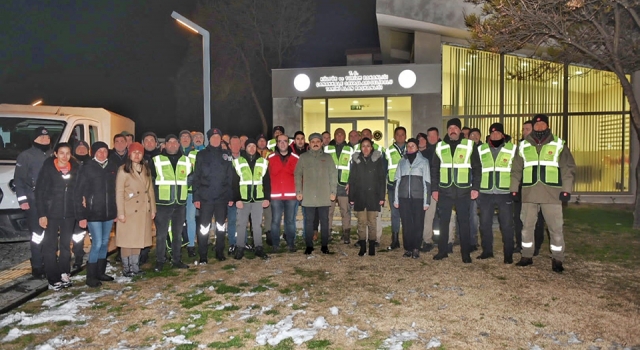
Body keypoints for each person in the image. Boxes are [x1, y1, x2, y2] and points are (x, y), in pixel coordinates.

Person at [511, 114, 576, 272]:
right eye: (536, 125)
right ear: (533, 127)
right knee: (527, 227)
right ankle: (526, 256)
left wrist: (566, 190)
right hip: (529, 193)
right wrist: (514, 189)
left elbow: (568, 169)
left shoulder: (559, 144)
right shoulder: (523, 145)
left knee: (555, 229)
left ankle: (558, 259)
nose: (539, 127)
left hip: (552, 194)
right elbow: (516, 169)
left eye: (542, 124)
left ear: (548, 126)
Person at [431, 118, 481, 263]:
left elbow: (477, 168)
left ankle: (465, 253)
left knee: (464, 223)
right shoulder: (440, 146)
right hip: (445, 191)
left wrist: (475, 187)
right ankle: (442, 251)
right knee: (443, 222)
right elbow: (434, 169)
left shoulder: (470, 145)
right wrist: (434, 189)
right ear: (447, 130)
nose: (453, 130)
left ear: (460, 130)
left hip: (464, 191)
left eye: (455, 128)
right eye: (450, 128)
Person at [75, 141, 119, 287]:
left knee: (105, 243)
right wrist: (81, 215)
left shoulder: (112, 167)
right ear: (93, 153)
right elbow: (79, 193)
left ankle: (101, 271)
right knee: (97, 243)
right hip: (93, 212)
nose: (102, 154)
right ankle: (91, 276)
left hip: (108, 212)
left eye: (105, 151)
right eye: (99, 151)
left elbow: (115, 191)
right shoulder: (87, 167)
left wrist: (116, 211)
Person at [36, 143, 79, 291]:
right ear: (55, 154)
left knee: (66, 246)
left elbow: (79, 190)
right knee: (50, 246)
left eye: (68, 153)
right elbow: (39, 192)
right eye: (61, 153)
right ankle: (53, 278)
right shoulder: (48, 169)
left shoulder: (75, 168)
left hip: (69, 213)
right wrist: (42, 214)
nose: (65, 156)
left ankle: (64, 273)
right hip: (51, 213)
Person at [149, 134, 192, 271]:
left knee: (177, 233)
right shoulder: (156, 160)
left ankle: (176, 259)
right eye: (170, 142)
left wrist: (186, 189)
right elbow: (151, 182)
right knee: (161, 234)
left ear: (178, 145)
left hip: (180, 203)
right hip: (163, 203)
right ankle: (160, 261)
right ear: (165, 145)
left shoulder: (186, 160)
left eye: (175, 143)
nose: (173, 145)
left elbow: (191, 178)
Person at [192, 128, 235, 264]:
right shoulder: (201, 155)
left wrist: (230, 196)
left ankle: (219, 252)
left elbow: (230, 177)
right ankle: (203, 255)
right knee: (204, 228)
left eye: (218, 137)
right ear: (209, 139)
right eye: (213, 137)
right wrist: (196, 197)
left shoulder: (226, 154)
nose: (215, 139)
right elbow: (196, 177)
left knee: (221, 226)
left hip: (222, 198)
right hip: (206, 198)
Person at [14, 127, 51, 279]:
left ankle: (48, 261)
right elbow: (19, 180)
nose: (44, 140)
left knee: (50, 234)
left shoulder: (52, 154)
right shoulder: (25, 156)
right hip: (33, 201)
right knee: (37, 234)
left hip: (51, 201)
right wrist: (23, 200)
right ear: (34, 139)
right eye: (41, 138)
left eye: (47, 137)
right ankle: (37, 265)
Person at [476, 123, 516, 264]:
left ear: (502, 135)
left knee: (506, 225)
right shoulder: (481, 149)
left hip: (504, 192)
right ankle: (487, 251)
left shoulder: (512, 149)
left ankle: (508, 254)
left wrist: (515, 188)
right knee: (484, 224)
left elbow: (517, 170)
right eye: (492, 133)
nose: (495, 135)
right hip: (485, 192)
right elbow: (476, 169)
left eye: (498, 133)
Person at [115, 142, 156, 277]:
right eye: (134, 152)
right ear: (130, 154)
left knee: (138, 240)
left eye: (139, 152)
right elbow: (119, 192)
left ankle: (135, 266)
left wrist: (153, 208)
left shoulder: (146, 168)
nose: (137, 155)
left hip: (143, 210)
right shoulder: (123, 170)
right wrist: (120, 213)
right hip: (129, 211)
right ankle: (127, 268)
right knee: (127, 241)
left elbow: (150, 190)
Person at [295, 132, 338, 255]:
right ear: (310, 144)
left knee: (324, 222)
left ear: (321, 143)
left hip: (324, 195)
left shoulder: (328, 158)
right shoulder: (303, 157)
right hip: (308, 196)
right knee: (308, 222)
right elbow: (297, 174)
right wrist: (299, 191)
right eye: (313, 142)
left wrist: (333, 191)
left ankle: (324, 246)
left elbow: (333, 175)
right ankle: (309, 245)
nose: (315, 144)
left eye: (317, 142)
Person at [231, 138, 271, 259]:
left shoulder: (263, 162)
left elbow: (267, 182)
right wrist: (237, 199)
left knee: (257, 224)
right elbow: (234, 183)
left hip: (258, 199)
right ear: (245, 148)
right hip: (243, 199)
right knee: (241, 224)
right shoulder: (238, 162)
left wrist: (267, 198)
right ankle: (240, 248)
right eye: (249, 146)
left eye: (254, 146)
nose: (252, 148)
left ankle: (258, 247)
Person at [513, 120, 546, 255]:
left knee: (537, 220)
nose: (524, 132)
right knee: (520, 218)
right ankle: (520, 244)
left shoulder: (542, 146)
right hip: (522, 188)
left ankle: (536, 246)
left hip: (538, 189)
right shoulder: (520, 146)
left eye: (527, 129)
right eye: (523, 129)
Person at [394, 138, 431, 259]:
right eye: (408, 146)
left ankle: (416, 248)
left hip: (418, 198)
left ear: (417, 147)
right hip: (404, 198)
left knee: (418, 224)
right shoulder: (401, 162)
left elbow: (427, 182)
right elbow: (397, 181)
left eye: (413, 146)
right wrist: (396, 199)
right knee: (406, 224)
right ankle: (408, 248)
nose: (410, 148)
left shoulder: (424, 162)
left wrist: (426, 201)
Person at [420, 127, 455, 253]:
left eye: (434, 135)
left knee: (448, 217)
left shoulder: (446, 150)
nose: (431, 138)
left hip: (446, 189)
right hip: (430, 190)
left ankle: (449, 241)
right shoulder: (424, 154)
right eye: (429, 136)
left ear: (438, 136)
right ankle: (427, 241)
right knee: (428, 216)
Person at [348, 138, 386, 256]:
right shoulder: (356, 160)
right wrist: (351, 197)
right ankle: (362, 245)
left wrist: (381, 197)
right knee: (361, 222)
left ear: (372, 147)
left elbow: (381, 179)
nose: (365, 148)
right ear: (360, 148)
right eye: (363, 146)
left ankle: (372, 245)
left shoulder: (377, 160)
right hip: (359, 196)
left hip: (373, 196)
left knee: (372, 222)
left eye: (368, 146)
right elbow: (352, 179)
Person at [268, 134, 300, 253]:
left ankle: (291, 243)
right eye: (280, 141)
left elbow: (300, 176)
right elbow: (266, 177)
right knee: (275, 221)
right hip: (276, 196)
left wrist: (300, 192)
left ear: (289, 143)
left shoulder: (296, 158)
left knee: (290, 221)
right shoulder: (270, 158)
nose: (282, 143)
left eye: (285, 141)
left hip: (291, 196)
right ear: (277, 143)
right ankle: (275, 245)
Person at [325, 128, 354, 244]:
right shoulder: (327, 149)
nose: (339, 136)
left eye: (341, 134)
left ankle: (346, 235)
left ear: (345, 136)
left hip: (344, 185)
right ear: (334, 136)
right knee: (328, 211)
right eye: (337, 134)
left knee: (345, 211)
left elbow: (353, 168)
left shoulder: (350, 149)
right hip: (330, 185)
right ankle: (327, 234)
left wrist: (350, 182)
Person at [385, 127, 407, 250]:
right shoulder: (388, 151)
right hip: (393, 187)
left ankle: (407, 239)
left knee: (407, 214)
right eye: (397, 134)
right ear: (394, 136)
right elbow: (384, 170)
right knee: (395, 213)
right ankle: (395, 240)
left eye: (402, 134)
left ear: (405, 136)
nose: (400, 136)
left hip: (407, 187)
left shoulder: (411, 148)